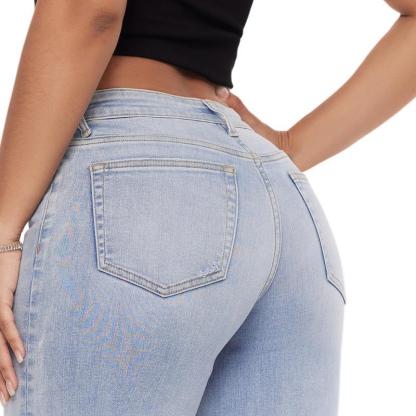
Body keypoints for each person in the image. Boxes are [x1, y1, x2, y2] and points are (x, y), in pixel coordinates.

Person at [0, 1, 414, 415]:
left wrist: (3, 233)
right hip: (280, 209)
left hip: (136, 196)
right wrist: (289, 148)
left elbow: (89, 11)